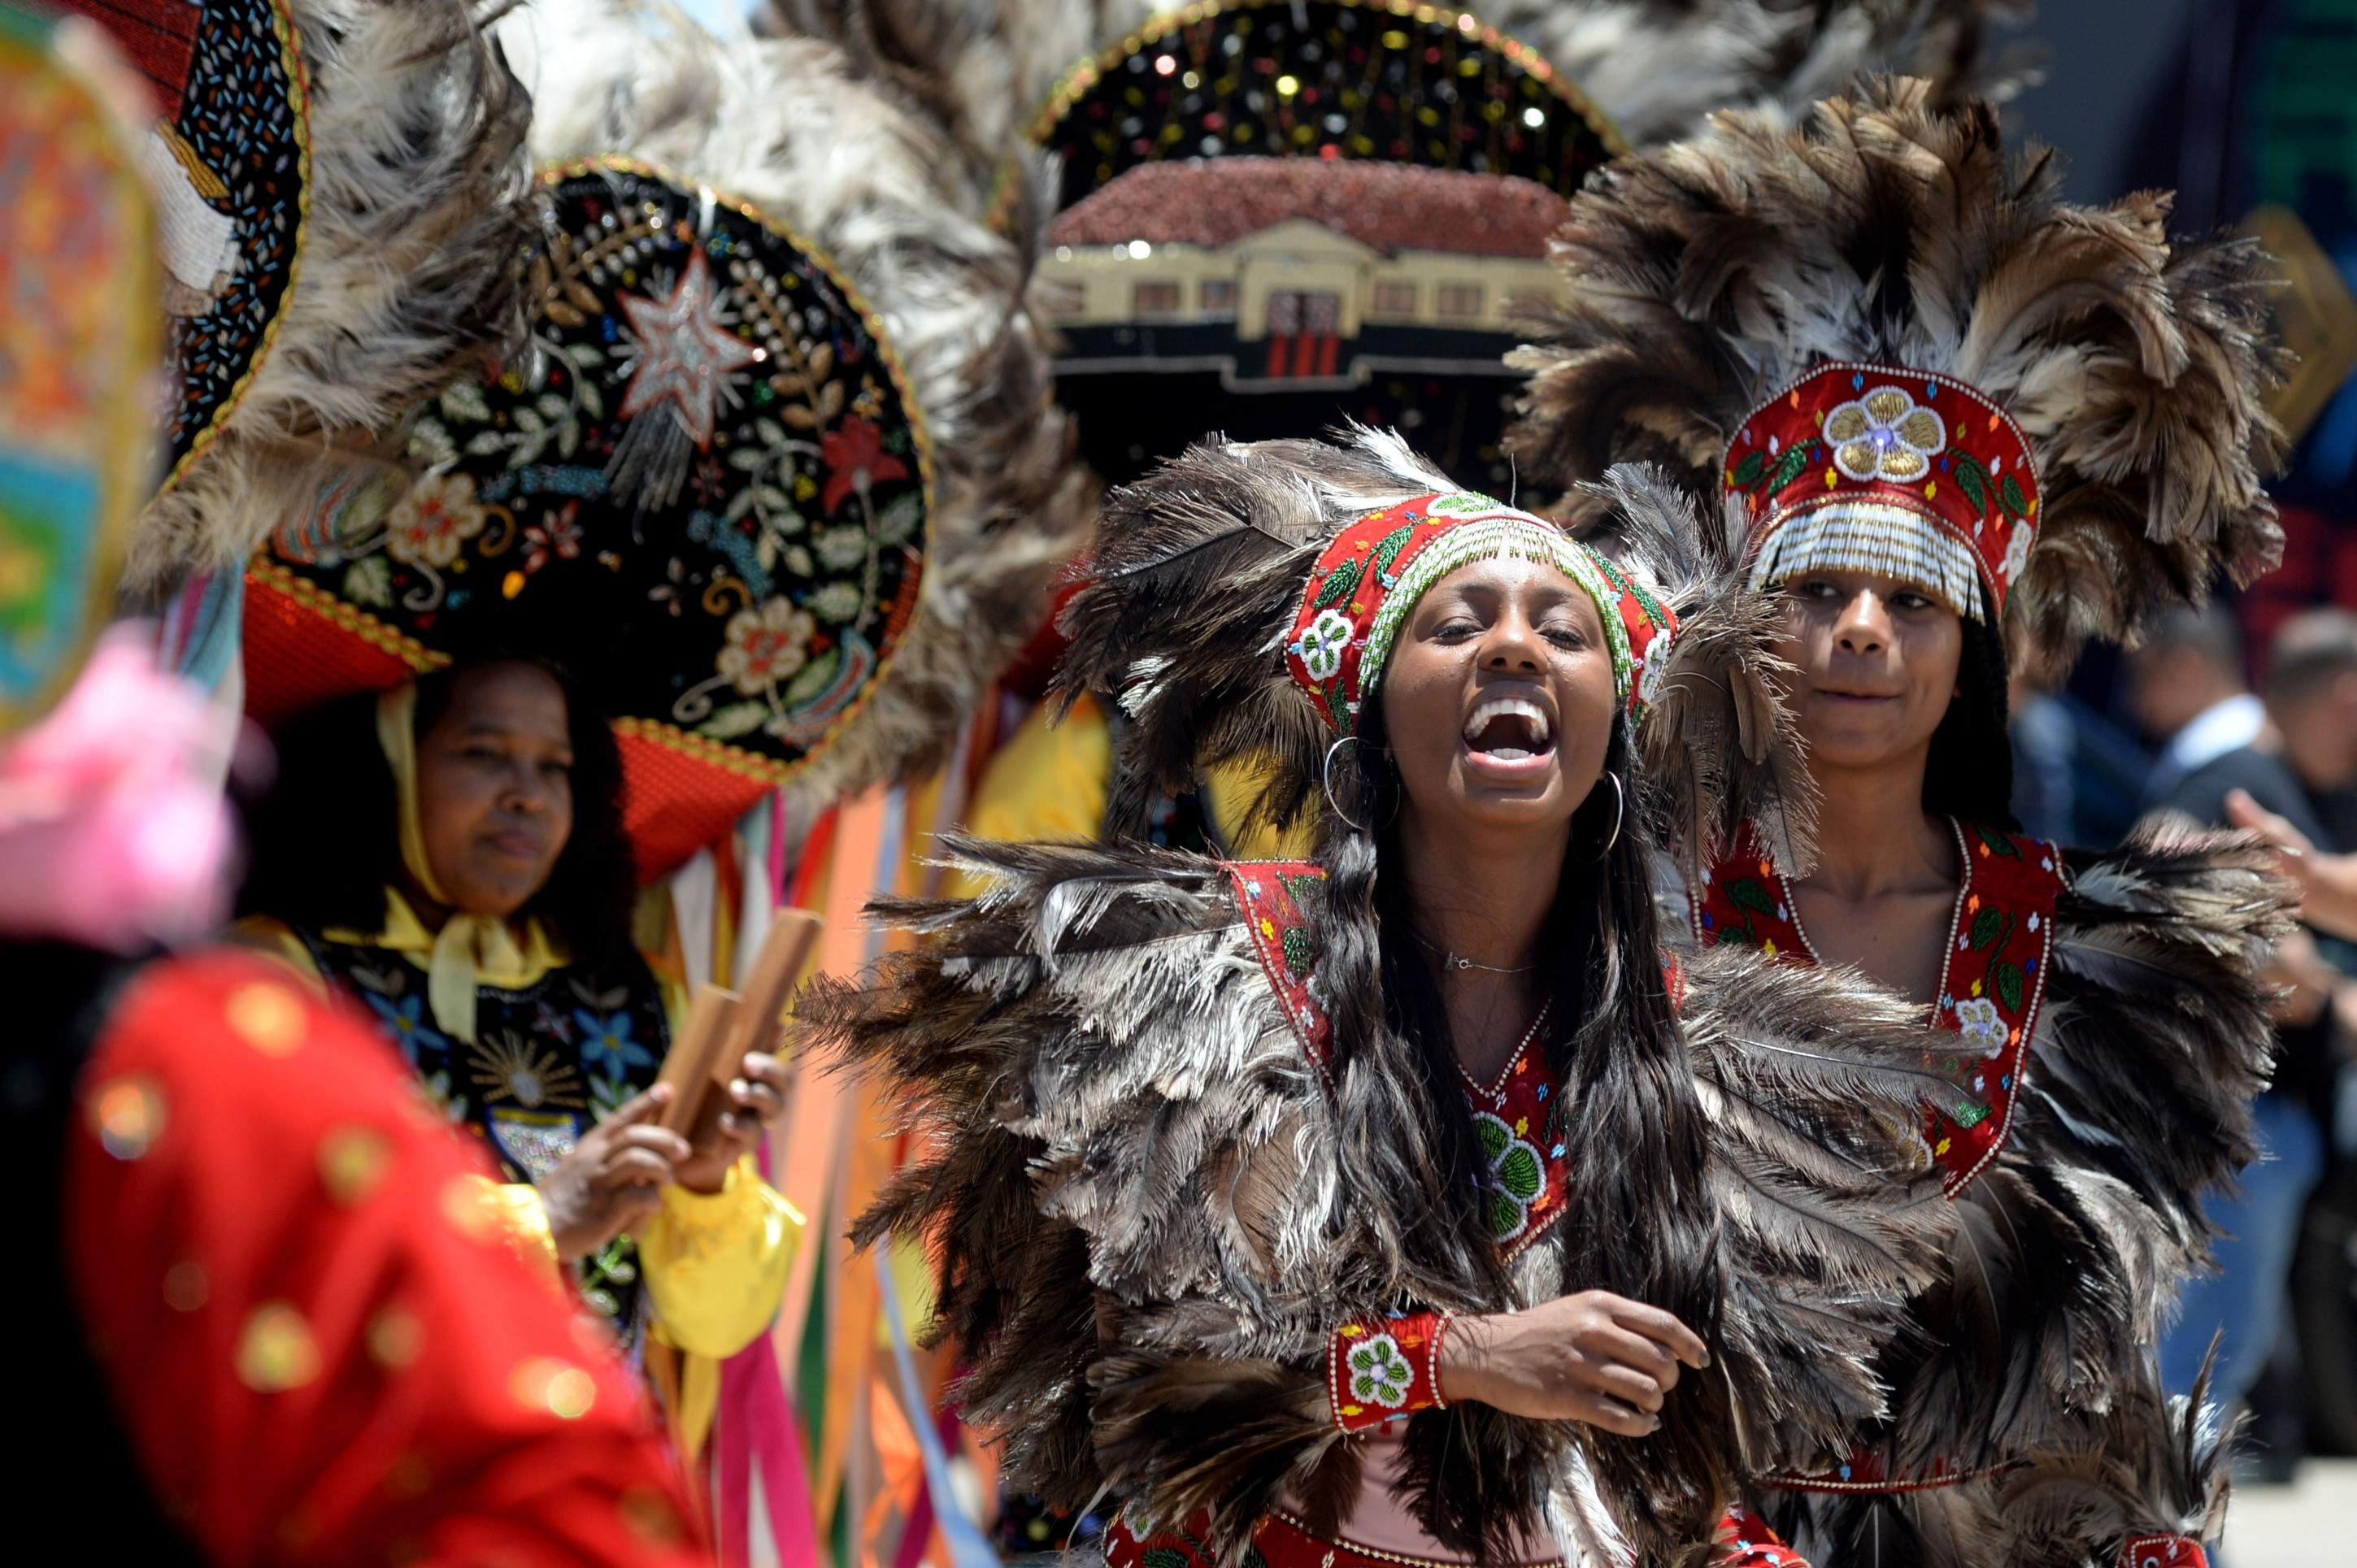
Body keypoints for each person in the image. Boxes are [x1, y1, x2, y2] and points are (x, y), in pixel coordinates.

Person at [805, 428, 2000, 1566]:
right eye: (1458, 624)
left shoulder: (1697, 1047)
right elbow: (1164, 1382)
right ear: (1369, 710)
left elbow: (1672, 1465)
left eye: (1562, 633)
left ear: (1613, 733)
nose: (1514, 650)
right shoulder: (1227, 982)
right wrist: (1459, 1358)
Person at [1507, 77, 2290, 1566]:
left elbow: (2094, 1353)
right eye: (1812, 589)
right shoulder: (1612, 910)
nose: (1858, 631)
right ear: (1742, 621)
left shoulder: (2099, 953)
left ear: (1972, 650)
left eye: (1911, 599)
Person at [237, 656, 799, 1387]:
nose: (528, 795)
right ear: (391, 764)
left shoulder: (638, 998)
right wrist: (544, 1219)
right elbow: (276, 1236)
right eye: (484, 753)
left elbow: (716, 1324)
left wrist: (703, 1181)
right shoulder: (277, 976)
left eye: (554, 767)